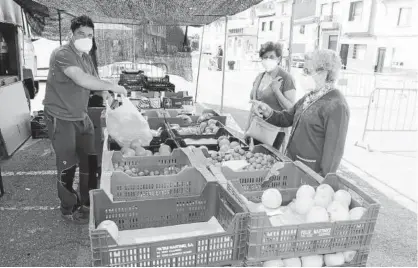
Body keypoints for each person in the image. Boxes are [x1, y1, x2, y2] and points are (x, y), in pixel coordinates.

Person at [42, 15, 127, 224]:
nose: (86, 38)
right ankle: (68, 208)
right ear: (72, 34)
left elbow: (94, 83)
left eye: (90, 35)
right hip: (60, 118)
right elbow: (80, 78)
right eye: (81, 33)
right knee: (67, 166)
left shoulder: (86, 57)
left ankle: (88, 203)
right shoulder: (63, 54)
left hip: (81, 116)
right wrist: (112, 85)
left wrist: (108, 96)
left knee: (91, 161)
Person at [250, 49, 350, 177]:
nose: (304, 74)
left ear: (323, 74)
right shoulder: (311, 96)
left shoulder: (336, 105)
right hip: (293, 165)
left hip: (310, 173)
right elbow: (287, 118)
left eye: (308, 71)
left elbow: (334, 151)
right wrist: (268, 111)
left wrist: (322, 180)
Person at [246, 42, 296, 151]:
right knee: (257, 160)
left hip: (274, 131)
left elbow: (291, 109)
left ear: (278, 58)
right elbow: (253, 104)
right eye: (265, 57)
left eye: (271, 57)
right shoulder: (260, 76)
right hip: (258, 127)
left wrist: (276, 91)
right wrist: (247, 128)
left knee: (270, 163)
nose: (268, 60)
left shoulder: (286, 78)